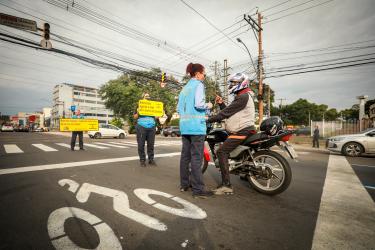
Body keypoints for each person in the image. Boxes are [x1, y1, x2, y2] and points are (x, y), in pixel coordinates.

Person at [207, 72, 256, 195]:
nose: (231, 85)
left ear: (241, 83)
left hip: (242, 130)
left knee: (221, 151)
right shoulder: (243, 95)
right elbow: (230, 111)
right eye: (231, 83)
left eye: (234, 83)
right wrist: (221, 103)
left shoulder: (243, 97)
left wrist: (207, 119)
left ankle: (226, 186)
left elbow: (225, 114)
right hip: (245, 129)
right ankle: (245, 173)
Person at [178, 62, 214, 198]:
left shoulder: (184, 88)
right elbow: (199, 104)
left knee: (185, 157)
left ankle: (184, 185)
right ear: (198, 73)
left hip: (184, 126)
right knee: (196, 158)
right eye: (203, 73)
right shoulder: (198, 85)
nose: (204, 76)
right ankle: (198, 189)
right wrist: (209, 105)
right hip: (196, 127)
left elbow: (179, 109)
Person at [134, 93, 157, 167]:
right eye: (146, 96)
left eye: (148, 96)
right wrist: (138, 112)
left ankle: (151, 160)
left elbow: (156, 117)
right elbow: (135, 116)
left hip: (152, 126)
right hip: (141, 126)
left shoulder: (153, 106)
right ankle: (142, 160)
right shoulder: (139, 105)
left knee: (151, 145)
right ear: (142, 98)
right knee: (141, 145)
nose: (148, 97)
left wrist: (158, 115)